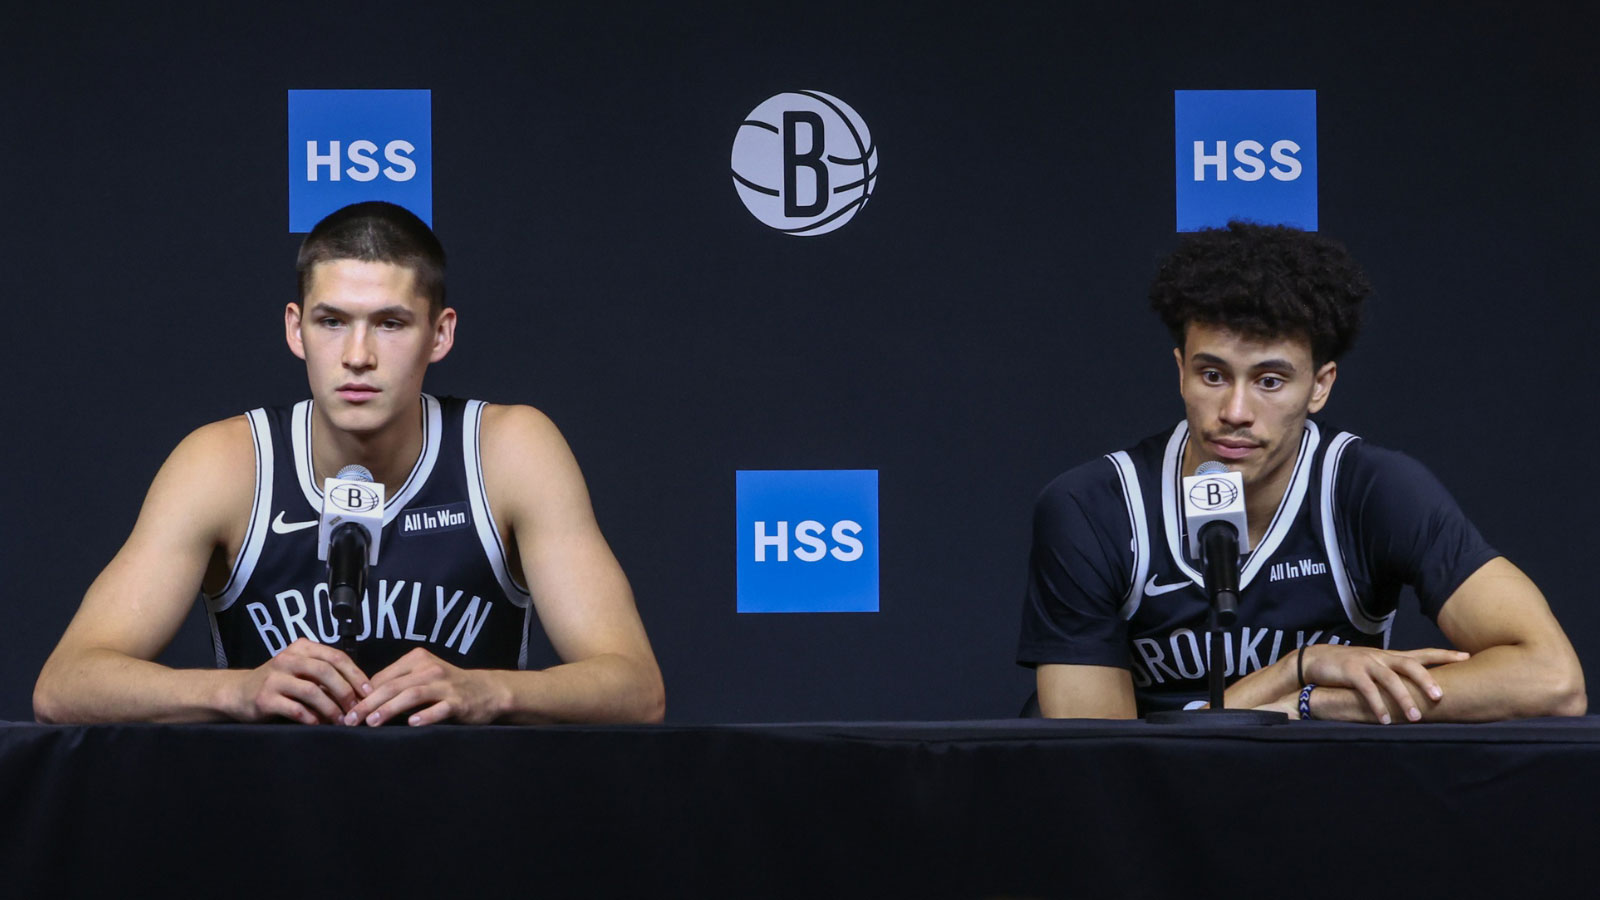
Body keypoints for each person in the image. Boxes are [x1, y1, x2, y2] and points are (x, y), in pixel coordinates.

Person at [34, 201, 665, 727]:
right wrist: (234, 691)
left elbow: (635, 687)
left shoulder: (508, 451)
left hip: (469, 831)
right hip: (273, 834)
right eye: (331, 321)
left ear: (439, 334)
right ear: (295, 329)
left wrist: (491, 691)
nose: (357, 355)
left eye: (390, 323)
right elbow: (65, 685)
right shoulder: (226, 463)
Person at [1016, 221, 1584, 722]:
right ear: (1180, 371)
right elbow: (1094, 758)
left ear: (1319, 386)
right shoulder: (1094, 507)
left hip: (1315, 808)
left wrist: (1314, 701)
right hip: (1150, 820)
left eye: (1270, 381)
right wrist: (1294, 671)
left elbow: (1552, 680)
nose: (1235, 412)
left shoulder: (1371, 490)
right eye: (1213, 375)